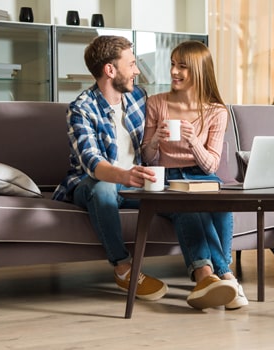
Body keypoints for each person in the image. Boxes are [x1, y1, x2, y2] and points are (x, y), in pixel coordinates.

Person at [52, 35, 168, 301]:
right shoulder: (81, 108)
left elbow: (146, 152)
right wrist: (125, 176)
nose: (137, 71)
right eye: (132, 64)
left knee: (178, 197)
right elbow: (93, 164)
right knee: (103, 188)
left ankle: (204, 272)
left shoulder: (138, 97)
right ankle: (124, 269)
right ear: (110, 70)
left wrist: (155, 142)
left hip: (134, 182)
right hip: (91, 184)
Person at [141, 40, 248, 310]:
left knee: (222, 207)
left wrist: (193, 142)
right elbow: (147, 158)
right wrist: (154, 141)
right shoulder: (156, 103)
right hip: (166, 177)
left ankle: (216, 278)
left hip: (202, 178)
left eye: (183, 67)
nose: (174, 72)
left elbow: (210, 166)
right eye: (173, 65)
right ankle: (219, 277)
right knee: (188, 207)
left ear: (199, 71)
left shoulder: (216, 111)